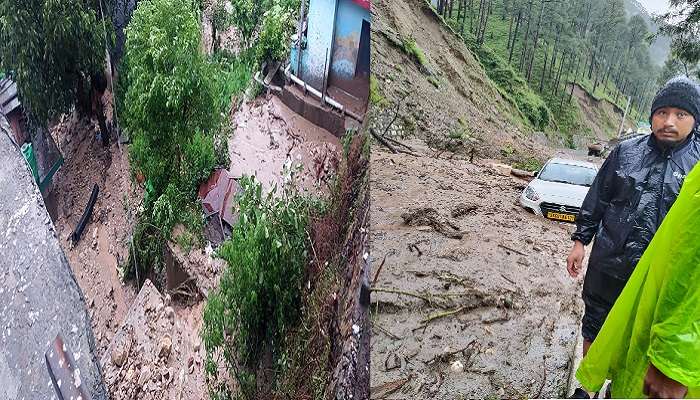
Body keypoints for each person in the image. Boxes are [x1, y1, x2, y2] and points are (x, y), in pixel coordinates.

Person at [566, 76, 700, 398]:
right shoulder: (625, 152)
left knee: (639, 336)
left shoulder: (697, 166)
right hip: (608, 265)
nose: (668, 122)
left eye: (680, 114)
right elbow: (597, 198)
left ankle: (620, 388)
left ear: (695, 119)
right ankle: (589, 384)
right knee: (595, 323)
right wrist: (580, 241)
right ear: (652, 114)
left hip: (655, 280)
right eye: (662, 112)